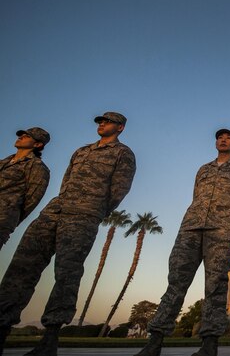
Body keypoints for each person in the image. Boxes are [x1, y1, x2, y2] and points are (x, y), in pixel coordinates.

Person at [0, 112, 136, 356]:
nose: (101, 124)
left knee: (67, 271)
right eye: (99, 121)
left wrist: (95, 210)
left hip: (83, 214)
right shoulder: (81, 151)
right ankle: (2, 326)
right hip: (56, 209)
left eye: (106, 121)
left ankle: (50, 336)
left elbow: (119, 189)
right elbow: (66, 180)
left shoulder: (123, 154)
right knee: (22, 265)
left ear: (120, 128)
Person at [136, 128, 230, 356]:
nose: (223, 140)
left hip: (220, 229)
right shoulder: (203, 169)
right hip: (190, 227)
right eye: (219, 137)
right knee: (176, 282)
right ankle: (155, 340)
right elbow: (196, 195)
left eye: (228, 138)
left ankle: (209, 344)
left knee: (216, 284)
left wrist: (225, 217)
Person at [0, 127, 51, 249]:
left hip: (3, 217)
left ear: (37, 144)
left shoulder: (37, 166)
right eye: (21, 135)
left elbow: (33, 199)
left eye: (27, 136)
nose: (21, 137)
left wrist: (12, 216)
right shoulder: (4, 162)